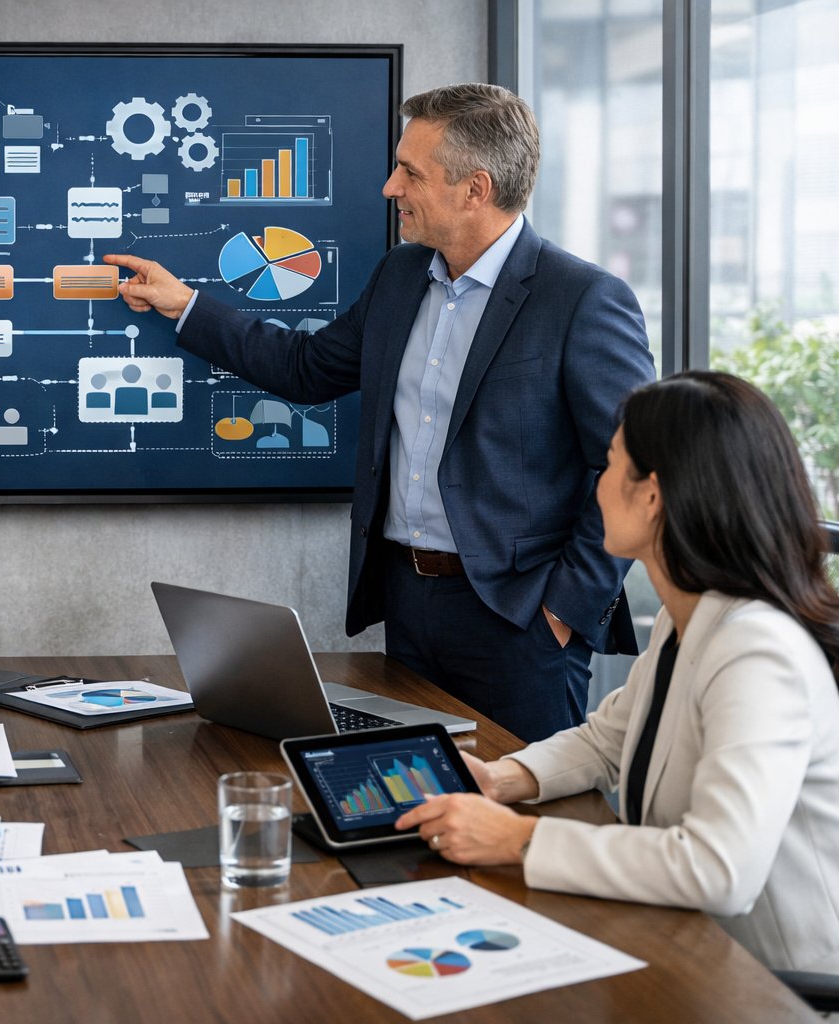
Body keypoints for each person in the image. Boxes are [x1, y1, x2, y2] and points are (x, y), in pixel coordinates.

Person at [105, 83, 655, 742]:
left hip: (518, 622)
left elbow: (633, 466)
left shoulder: (584, 299)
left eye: (411, 173)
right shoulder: (401, 275)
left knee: (518, 820)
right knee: (413, 805)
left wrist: (563, 611)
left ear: (475, 189)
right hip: (408, 603)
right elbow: (307, 368)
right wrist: (185, 305)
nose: (392, 187)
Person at [397, 371, 839, 973]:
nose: (597, 487)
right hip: (687, 948)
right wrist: (501, 779)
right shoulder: (693, 619)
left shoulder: (758, 654)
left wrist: (516, 839)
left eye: (608, 466)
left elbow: (719, 871)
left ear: (652, 496)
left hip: (772, 986)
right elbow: (608, 740)